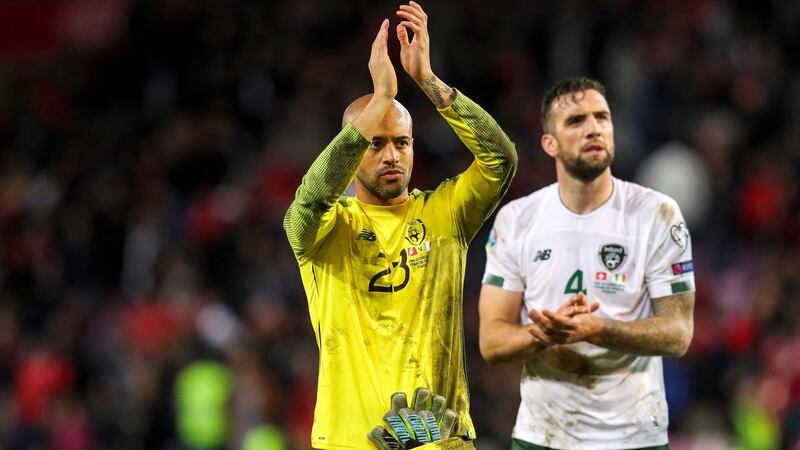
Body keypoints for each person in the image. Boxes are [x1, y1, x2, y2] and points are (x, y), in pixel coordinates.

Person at [283, 2, 518, 448]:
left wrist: (427, 80)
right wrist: (380, 100)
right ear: (352, 151)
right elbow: (309, 202)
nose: (392, 155)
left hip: (439, 438)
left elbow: (501, 159)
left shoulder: (445, 213)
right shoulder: (327, 231)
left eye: (402, 142)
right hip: (352, 442)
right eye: (375, 143)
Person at [478, 77, 695, 450]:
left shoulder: (656, 214)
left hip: (635, 437)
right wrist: (544, 333)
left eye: (602, 117)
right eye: (576, 120)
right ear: (550, 143)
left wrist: (596, 329)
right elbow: (492, 343)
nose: (594, 128)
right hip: (542, 436)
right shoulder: (517, 220)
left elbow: (678, 334)